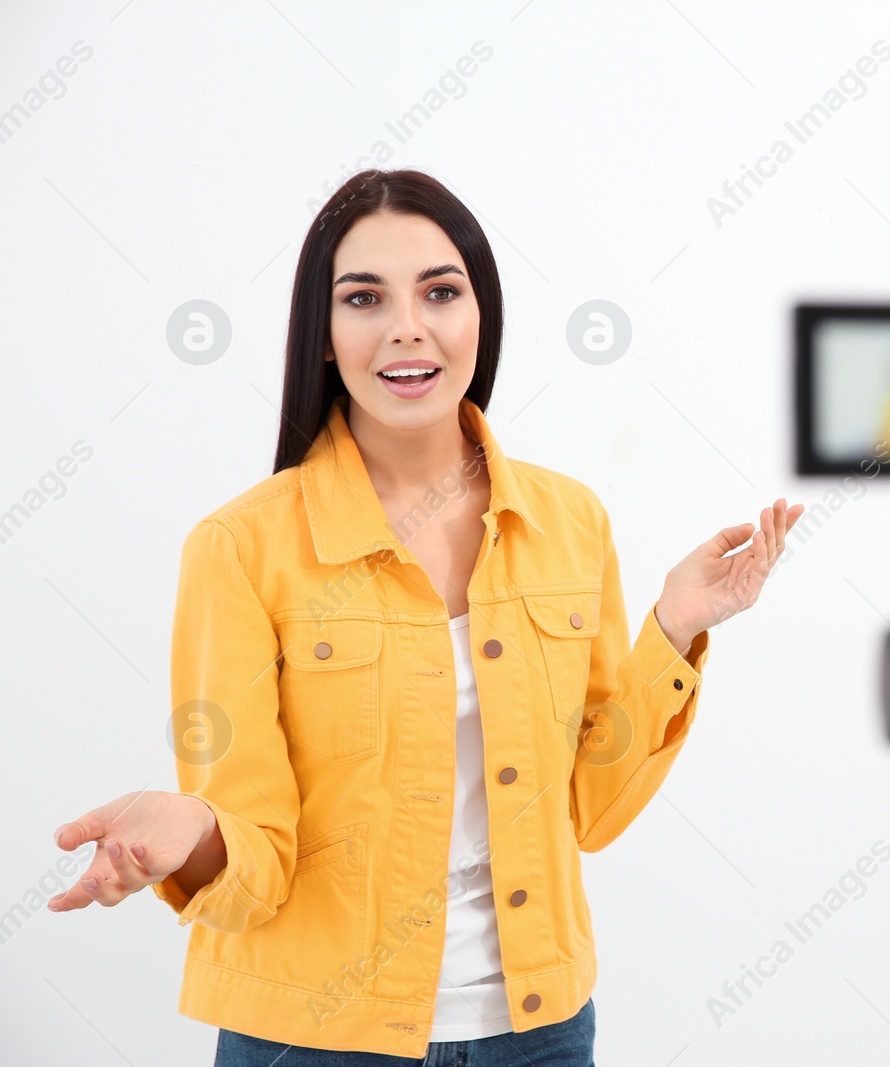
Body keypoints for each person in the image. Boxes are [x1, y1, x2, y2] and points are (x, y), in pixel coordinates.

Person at [46, 169, 802, 1066]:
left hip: (540, 1032)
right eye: (364, 297)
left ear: (480, 316)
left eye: (440, 291)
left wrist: (673, 630)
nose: (408, 325)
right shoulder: (240, 547)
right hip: (312, 1037)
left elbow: (588, 809)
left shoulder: (571, 522)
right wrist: (195, 834)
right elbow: (254, 865)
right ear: (324, 336)